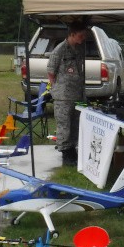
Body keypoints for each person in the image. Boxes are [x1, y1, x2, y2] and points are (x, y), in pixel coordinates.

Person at [47, 20, 89, 166]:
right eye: (80, 35)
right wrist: (58, 87)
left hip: (77, 93)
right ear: (72, 34)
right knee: (64, 125)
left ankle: (73, 150)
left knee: (75, 124)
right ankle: (66, 153)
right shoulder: (59, 50)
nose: (83, 38)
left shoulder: (79, 49)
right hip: (63, 96)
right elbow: (51, 72)